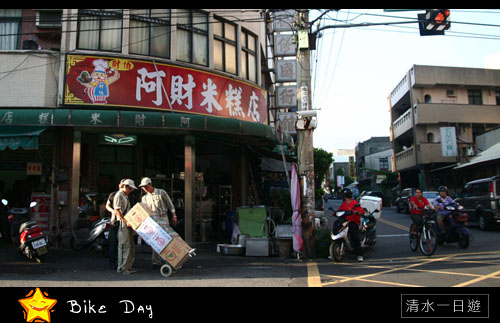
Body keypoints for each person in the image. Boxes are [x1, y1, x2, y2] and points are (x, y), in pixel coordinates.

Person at [139, 177, 177, 268]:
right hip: (153, 221)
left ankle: (169, 260)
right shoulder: (144, 198)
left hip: (163, 217)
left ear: (150, 184)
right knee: (155, 241)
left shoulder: (161, 192)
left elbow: (170, 204)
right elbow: (144, 210)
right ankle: (156, 261)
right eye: (142, 187)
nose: (144, 188)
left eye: (145, 186)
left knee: (167, 239)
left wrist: (174, 215)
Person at [113, 179, 138, 275]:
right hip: (123, 224)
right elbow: (118, 211)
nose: (131, 191)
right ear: (126, 186)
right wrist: (126, 221)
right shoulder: (119, 195)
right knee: (124, 246)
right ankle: (122, 267)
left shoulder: (125, 196)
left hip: (128, 223)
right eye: (130, 188)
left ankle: (128, 266)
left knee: (130, 246)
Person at [338, 188, 365, 262]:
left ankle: (359, 255)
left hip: (353, 222)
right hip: (345, 221)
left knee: (355, 237)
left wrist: (357, 212)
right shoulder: (344, 203)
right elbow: (339, 210)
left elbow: (361, 211)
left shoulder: (354, 203)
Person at [105, 179, 125, 270]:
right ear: (119, 185)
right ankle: (112, 262)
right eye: (122, 184)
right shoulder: (113, 195)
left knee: (122, 244)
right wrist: (113, 211)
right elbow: (107, 205)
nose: (122, 186)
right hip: (114, 222)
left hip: (123, 223)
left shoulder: (126, 196)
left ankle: (122, 262)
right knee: (113, 243)